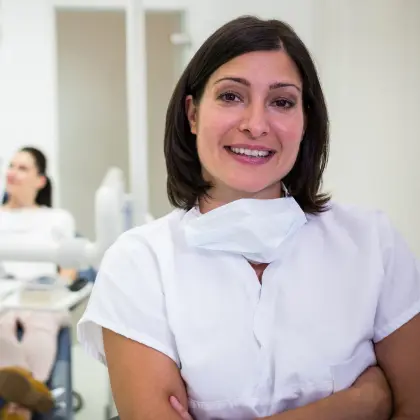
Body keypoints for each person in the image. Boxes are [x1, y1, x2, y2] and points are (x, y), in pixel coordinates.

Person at [78, 16, 420, 420]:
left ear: (305, 121)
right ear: (192, 113)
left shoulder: (371, 244)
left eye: (282, 101)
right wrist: (358, 404)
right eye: (231, 96)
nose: (256, 125)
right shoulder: (140, 262)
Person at [0, 147, 77, 420]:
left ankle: (15, 404)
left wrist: (59, 290)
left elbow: (69, 267)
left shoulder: (57, 218)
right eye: (11, 166)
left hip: (42, 290)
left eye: (23, 168)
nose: (12, 172)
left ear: (40, 180)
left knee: (42, 322)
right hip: (4, 290)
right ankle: (30, 396)